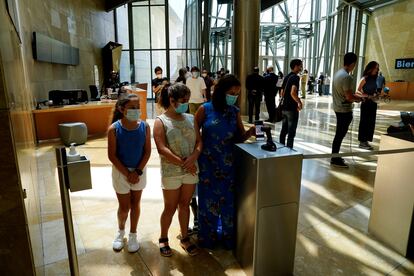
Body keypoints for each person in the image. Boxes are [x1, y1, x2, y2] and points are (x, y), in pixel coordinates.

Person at [195, 75, 255, 250]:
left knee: (227, 203)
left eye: (236, 93)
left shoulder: (234, 111)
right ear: (221, 91)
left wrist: (250, 133)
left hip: (228, 165)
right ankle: (208, 238)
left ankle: (228, 238)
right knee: (207, 203)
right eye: (231, 93)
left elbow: (239, 138)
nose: (234, 96)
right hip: (207, 164)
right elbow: (195, 135)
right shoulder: (204, 110)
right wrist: (195, 154)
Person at [153, 83, 202, 257]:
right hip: (172, 172)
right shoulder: (161, 121)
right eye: (182, 101)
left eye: (187, 101)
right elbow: (162, 148)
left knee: (185, 205)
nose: (186, 104)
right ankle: (163, 237)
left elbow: (199, 142)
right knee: (170, 207)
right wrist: (184, 163)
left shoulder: (190, 118)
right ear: (171, 100)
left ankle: (185, 237)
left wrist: (194, 157)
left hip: (190, 170)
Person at [107, 93, 151, 253]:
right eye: (132, 108)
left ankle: (133, 234)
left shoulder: (145, 127)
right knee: (124, 207)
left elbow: (147, 152)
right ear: (121, 108)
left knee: (135, 204)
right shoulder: (114, 129)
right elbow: (112, 155)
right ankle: (120, 232)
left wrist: (137, 171)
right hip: (121, 172)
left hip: (139, 171)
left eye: (138, 107)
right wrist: (127, 173)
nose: (136, 110)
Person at [330, 52, 362, 168]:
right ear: (352, 63)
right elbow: (349, 97)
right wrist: (359, 99)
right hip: (344, 110)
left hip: (338, 108)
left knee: (339, 134)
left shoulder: (338, 73)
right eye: (355, 64)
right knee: (339, 134)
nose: (355, 66)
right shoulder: (347, 77)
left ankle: (335, 156)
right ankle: (334, 158)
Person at [279, 59, 303, 148]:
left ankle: (281, 148)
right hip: (292, 109)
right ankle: (289, 151)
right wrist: (299, 102)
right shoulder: (296, 77)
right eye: (300, 66)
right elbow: (293, 92)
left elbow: (281, 92)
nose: (301, 68)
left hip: (284, 107)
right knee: (291, 132)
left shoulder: (287, 77)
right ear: (296, 66)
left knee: (283, 131)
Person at [357, 61, 380, 150]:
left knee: (371, 123)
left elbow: (373, 90)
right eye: (376, 68)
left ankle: (366, 141)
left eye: (378, 68)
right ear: (371, 68)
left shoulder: (374, 79)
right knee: (364, 122)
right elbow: (358, 91)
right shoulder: (364, 78)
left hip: (372, 103)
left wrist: (376, 94)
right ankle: (362, 142)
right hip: (366, 103)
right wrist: (367, 95)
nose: (377, 70)